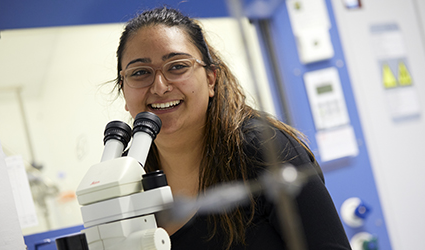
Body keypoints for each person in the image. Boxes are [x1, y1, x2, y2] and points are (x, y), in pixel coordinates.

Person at [114, 7, 351, 250]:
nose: (160, 87)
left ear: (210, 79)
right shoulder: (123, 176)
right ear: (124, 90)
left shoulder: (264, 150)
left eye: (177, 66)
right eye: (140, 72)